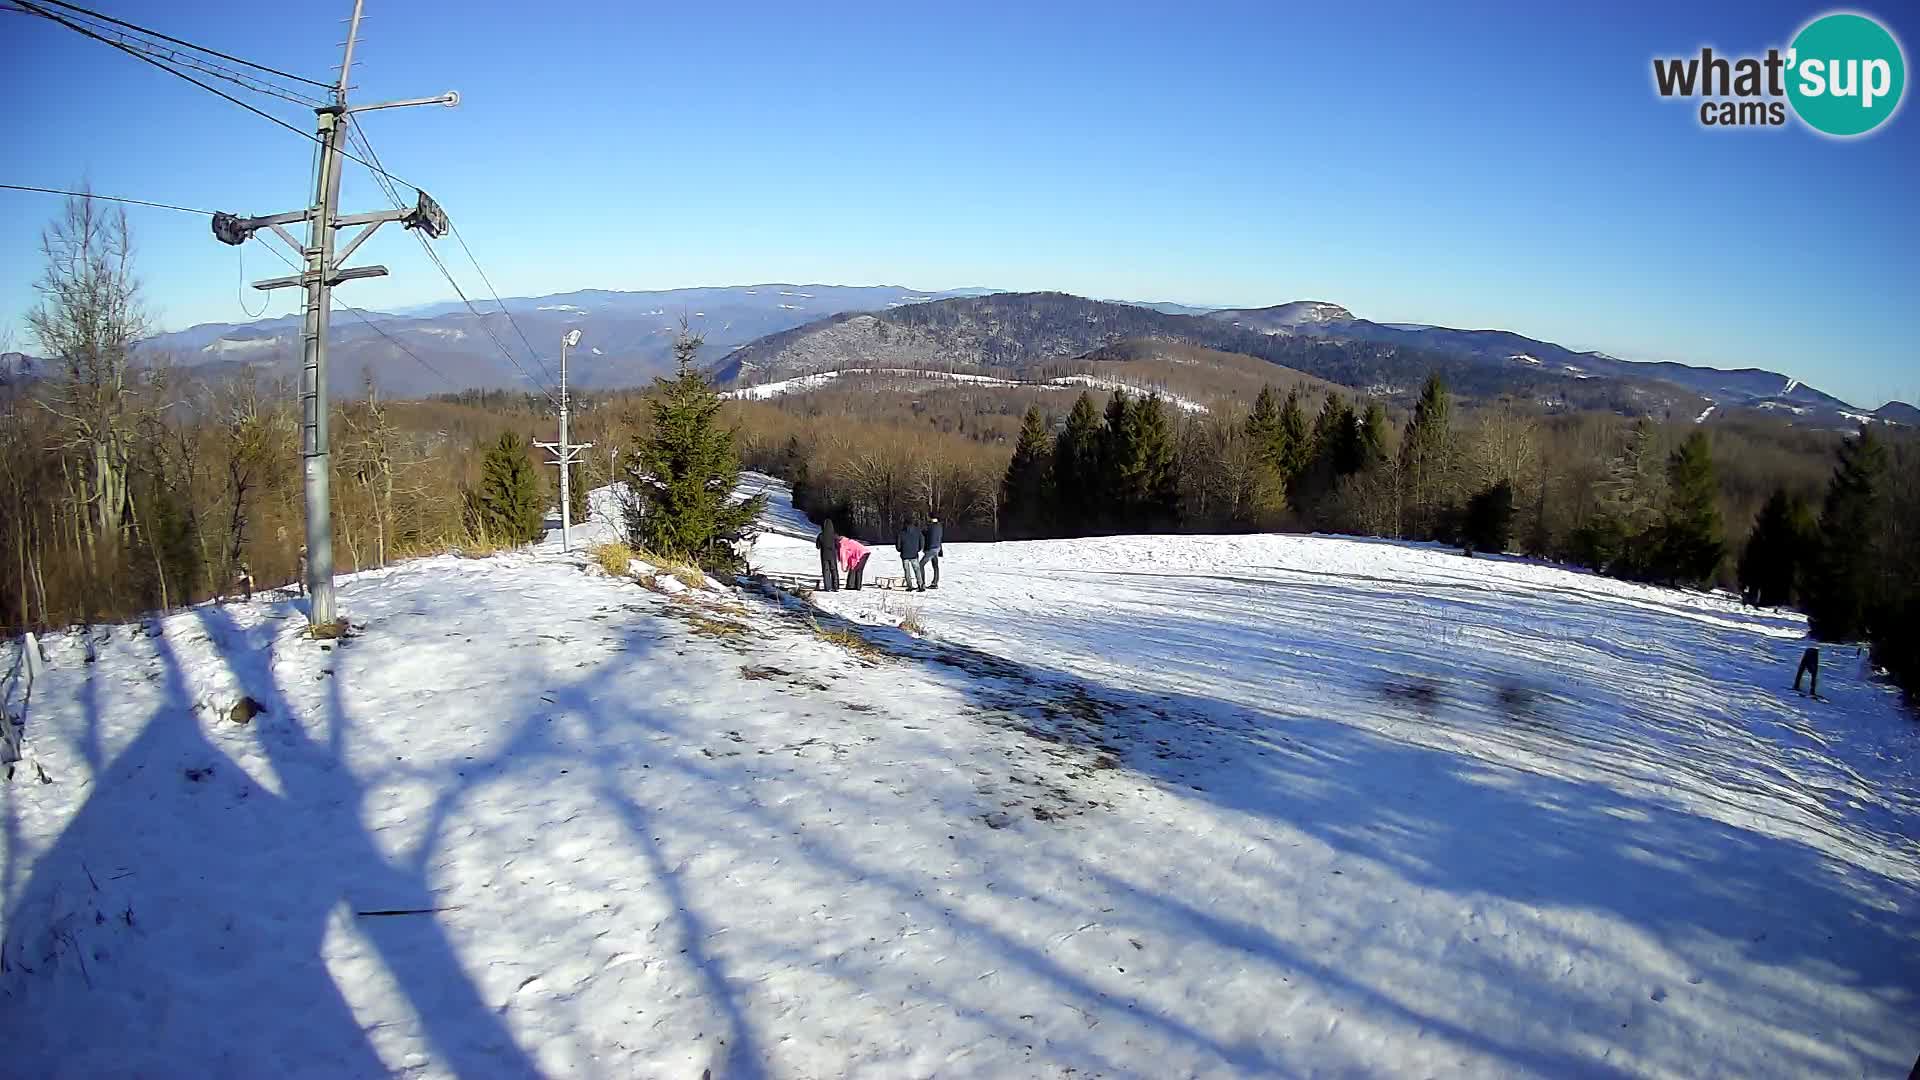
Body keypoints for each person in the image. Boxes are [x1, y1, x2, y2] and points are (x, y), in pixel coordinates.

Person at [896, 520, 925, 592]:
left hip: (905, 554)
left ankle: (910, 586)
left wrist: (901, 550)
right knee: (917, 570)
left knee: (907, 571)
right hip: (914, 554)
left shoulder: (901, 533)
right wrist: (918, 549)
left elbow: (898, 545)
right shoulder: (917, 531)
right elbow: (922, 541)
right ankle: (920, 585)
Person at [814, 519, 840, 591]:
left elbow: (818, 546)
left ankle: (827, 587)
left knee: (826, 571)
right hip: (832, 556)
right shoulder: (834, 536)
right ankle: (836, 587)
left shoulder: (820, 535)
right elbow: (838, 545)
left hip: (824, 556)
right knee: (834, 570)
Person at [919, 516, 943, 590]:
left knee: (921, 565)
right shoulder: (939, 527)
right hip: (937, 548)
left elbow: (925, 534)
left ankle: (922, 583)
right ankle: (935, 582)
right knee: (935, 565)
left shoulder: (929, 527)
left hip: (931, 549)